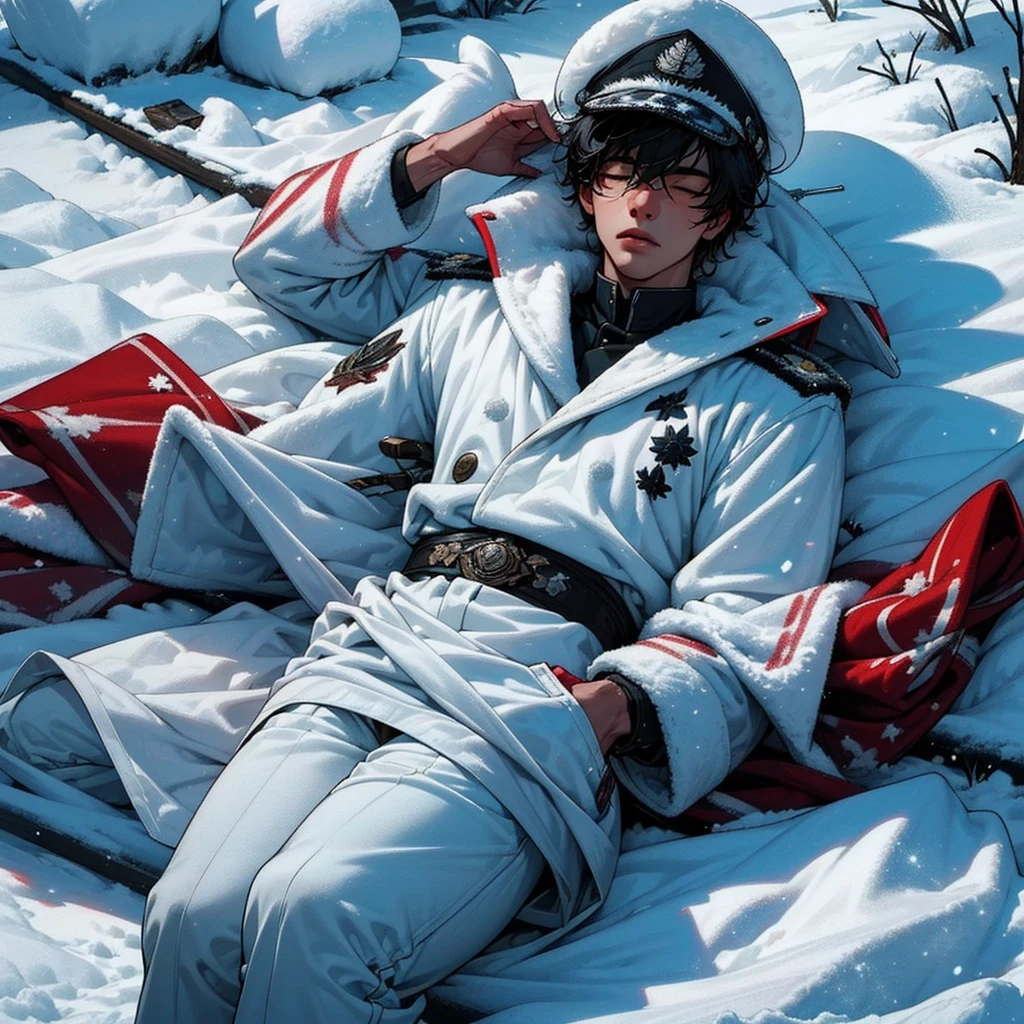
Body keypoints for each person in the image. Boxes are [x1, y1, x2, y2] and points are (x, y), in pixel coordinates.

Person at [1, 0, 891, 1020]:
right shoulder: (471, 310)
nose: (644, 202)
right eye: (620, 168)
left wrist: (612, 708)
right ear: (583, 178)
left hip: (533, 699)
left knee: (316, 916)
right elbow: (282, 263)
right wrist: (435, 156)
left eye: (683, 180)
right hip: (377, 642)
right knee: (196, 914)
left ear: (725, 211)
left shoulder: (777, 396)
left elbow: (749, 614)